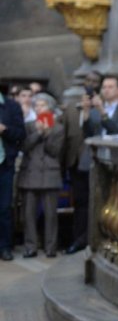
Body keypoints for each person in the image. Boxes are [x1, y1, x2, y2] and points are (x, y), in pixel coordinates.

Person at [19, 93, 66, 258]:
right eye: (36, 105)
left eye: (42, 105)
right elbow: (24, 146)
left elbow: (55, 151)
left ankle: (50, 247)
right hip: (30, 174)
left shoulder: (58, 127)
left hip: (49, 174)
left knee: (50, 214)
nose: (39, 108)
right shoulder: (29, 125)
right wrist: (38, 133)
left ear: (50, 108)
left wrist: (47, 134)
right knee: (29, 214)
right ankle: (30, 246)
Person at [62, 70, 101, 254]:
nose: (91, 83)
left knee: (94, 202)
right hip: (75, 162)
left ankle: (90, 239)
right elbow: (65, 137)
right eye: (88, 80)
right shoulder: (71, 108)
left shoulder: (100, 108)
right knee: (79, 202)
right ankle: (78, 238)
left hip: (95, 162)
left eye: (95, 81)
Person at [0, 89, 27, 261]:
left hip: (5, 164)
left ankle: (5, 247)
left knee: (4, 208)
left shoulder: (11, 106)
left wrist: (4, 130)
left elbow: (21, 134)